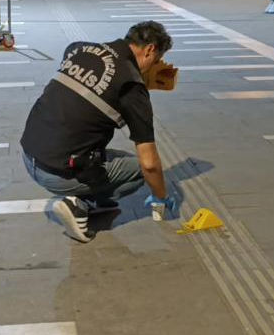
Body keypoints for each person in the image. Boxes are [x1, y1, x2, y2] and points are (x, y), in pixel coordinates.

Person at [21, 21, 177, 242]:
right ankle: (79, 204)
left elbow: (83, 66)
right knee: (139, 170)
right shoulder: (132, 88)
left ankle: (93, 198)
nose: (155, 66)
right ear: (150, 49)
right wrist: (160, 196)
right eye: (157, 60)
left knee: (112, 155)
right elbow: (149, 163)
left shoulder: (81, 49)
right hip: (57, 173)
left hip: (29, 155)